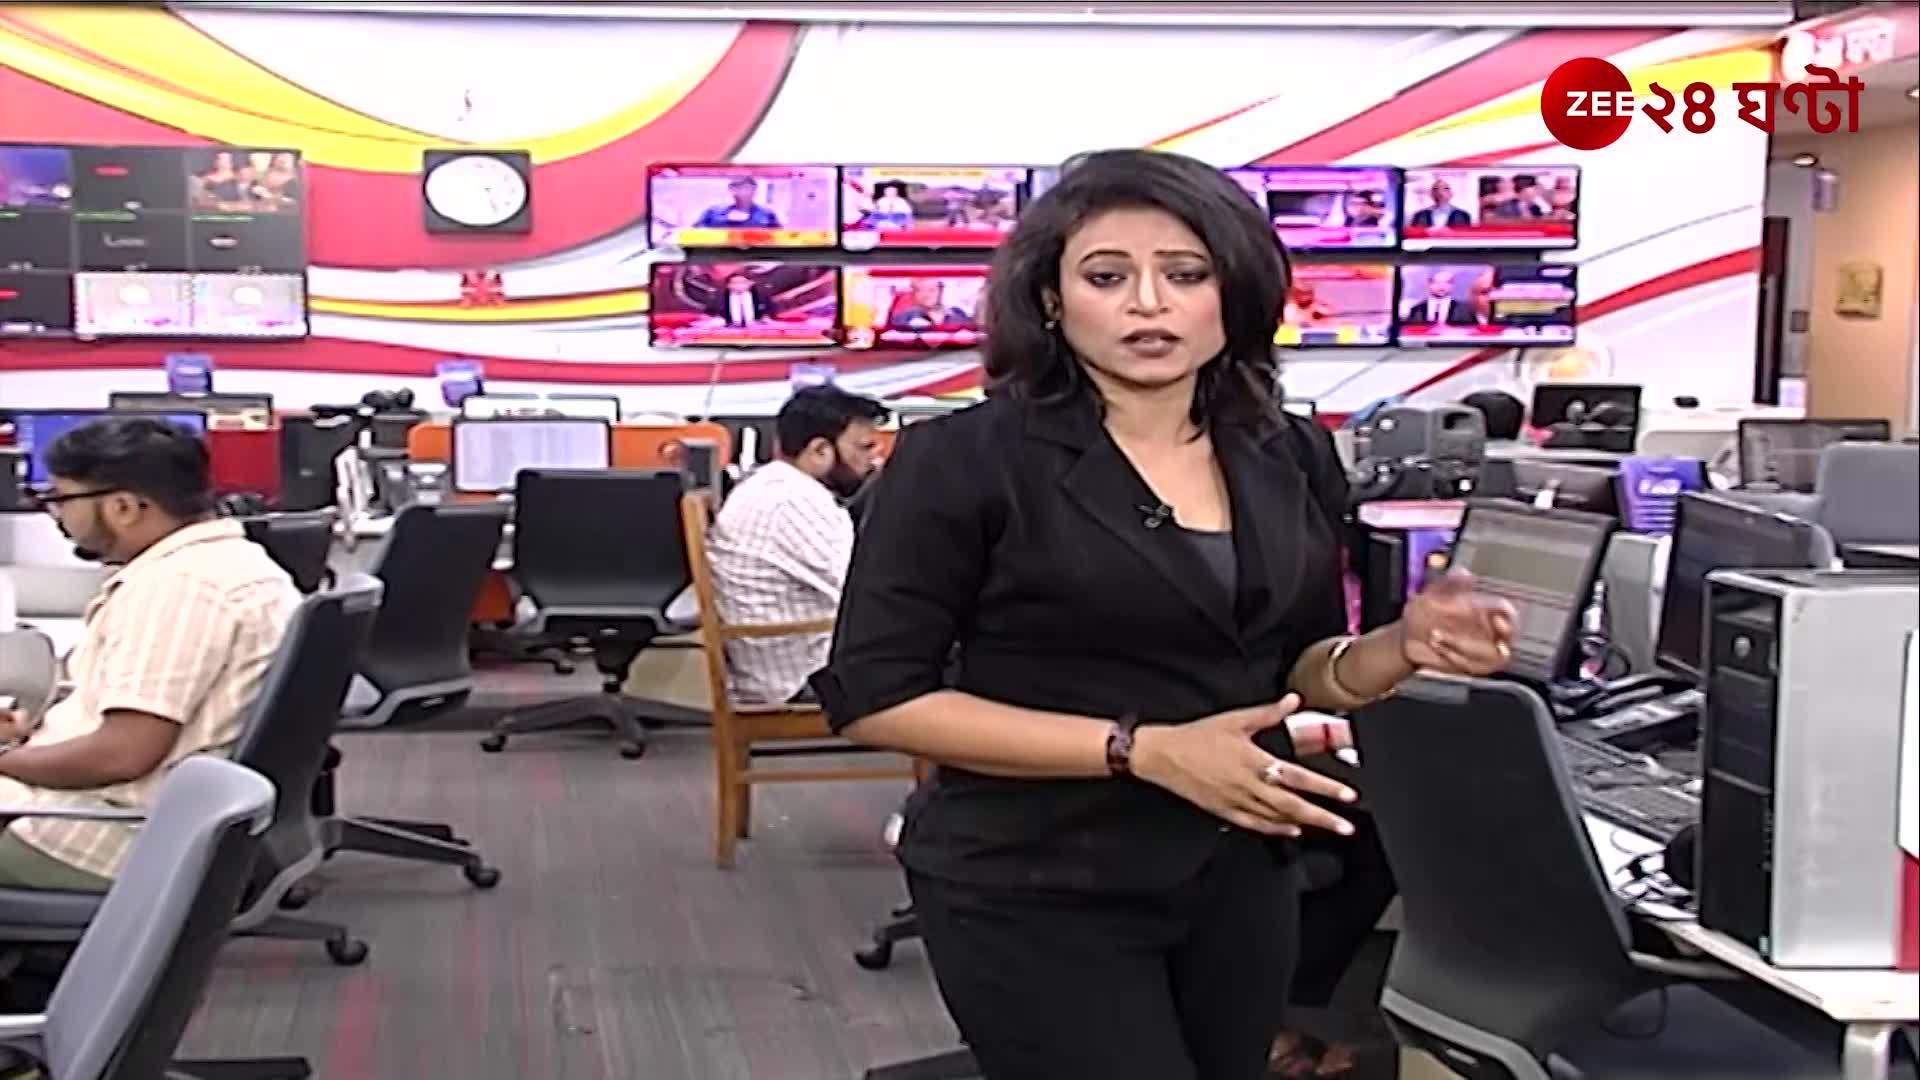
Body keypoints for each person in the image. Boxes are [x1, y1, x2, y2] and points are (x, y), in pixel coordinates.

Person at [810, 148, 1516, 1080]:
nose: (1149, 303)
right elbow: (876, 697)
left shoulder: (1287, 451)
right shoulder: (964, 460)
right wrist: (1140, 749)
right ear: (1052, 300)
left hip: (1240, 873)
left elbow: (1299, 667)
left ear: (1233, 294)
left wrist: (1401, 646)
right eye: (1108, 277)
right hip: (1035, 880)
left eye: (1185, 274)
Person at [0, 417, 300, 892]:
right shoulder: (238, 564)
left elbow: (123, 755)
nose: (56, 516)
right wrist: (36, 737)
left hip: (107, 840)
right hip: (167, 818)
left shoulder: (178, 588)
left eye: (60, 499)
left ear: (124, 507)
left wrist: (7, 759)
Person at [705, 386, 889, 706]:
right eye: (864, 448)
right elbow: (868, 595)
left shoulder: (774, 486)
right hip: (802, 681)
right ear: (820, 450)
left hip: (784, 665)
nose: (875, 461)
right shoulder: (793, 502)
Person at [695, 175, 783, 230]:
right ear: (730, 189)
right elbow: (696, 232)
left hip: (756, 254)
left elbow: (779, 239)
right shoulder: (713, 212)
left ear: (754, 190)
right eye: (736, 186)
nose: (741, 190)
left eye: (746, 187)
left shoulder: (767, 215)